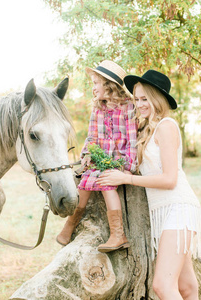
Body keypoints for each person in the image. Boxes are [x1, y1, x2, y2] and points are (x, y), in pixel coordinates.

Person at [96, 70, 201, 299]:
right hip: (165, 212)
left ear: (157, 99)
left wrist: (125, 178)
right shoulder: (146, 130)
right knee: (186, 288)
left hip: (178, 208)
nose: (139, 104)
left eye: (144, 99)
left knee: (162, 285)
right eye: (137, 99)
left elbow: (169, 179)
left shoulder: (166, 126)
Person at [56, 60, 137, 253]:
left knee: (107, 183)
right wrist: (86, 154)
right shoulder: (97, 108)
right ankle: (71, 224)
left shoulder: (128, 107)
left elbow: (132, 139)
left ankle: (118, 234)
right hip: (99, 159)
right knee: (84, 184)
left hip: (118, 160)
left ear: (109, 85)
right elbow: (92, 136)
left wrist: (128, 165)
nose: (93, 88)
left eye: (95, 83)